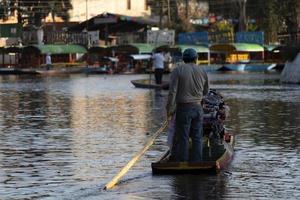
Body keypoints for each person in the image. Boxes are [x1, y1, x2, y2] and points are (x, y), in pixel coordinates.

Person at [166, 48, 209, 162]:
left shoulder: (178, 70)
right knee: (197, 137)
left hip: (183, 108)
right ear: (196, 59)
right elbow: (206, 91)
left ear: (183, 59)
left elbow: (172, 92)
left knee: (183, 137)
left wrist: (169, 110)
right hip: (198, 108)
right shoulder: (202, 71)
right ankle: (197, 162)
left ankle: (183, 162)